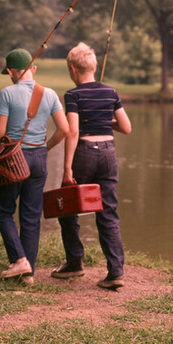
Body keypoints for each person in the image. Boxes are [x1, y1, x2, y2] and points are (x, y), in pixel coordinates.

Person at [0, 48, 69, 286]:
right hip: (39, 157)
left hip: (13, 159)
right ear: (33, 69)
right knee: (31, 216)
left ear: (10, 71)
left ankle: (19, 259)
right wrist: (45, 148)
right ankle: (28, 274)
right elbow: (64, 130)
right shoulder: (50, 94)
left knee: (2, 210)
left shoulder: (8, 93)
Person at [51, 42, 132, 289]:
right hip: (108, 152)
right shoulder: (111, 92)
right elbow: (126, 128)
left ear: (73, 70)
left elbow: (73, 130)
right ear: (93, 67)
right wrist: (106, 123)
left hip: (85, 152)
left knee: (67, 206)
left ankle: (75, 263)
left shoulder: (73, 95)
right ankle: (115, 272)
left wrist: (67, 170)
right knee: (108, 213)